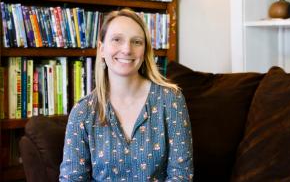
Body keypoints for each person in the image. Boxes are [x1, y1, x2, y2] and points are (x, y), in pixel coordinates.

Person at [59, 9, 193, 181]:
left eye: (136, 42)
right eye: (117, 40)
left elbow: (181, 175)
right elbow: (72, 179)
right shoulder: (83, 111)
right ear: (101, 49)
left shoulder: (171, 100)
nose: (127, 49)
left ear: (144, 52)